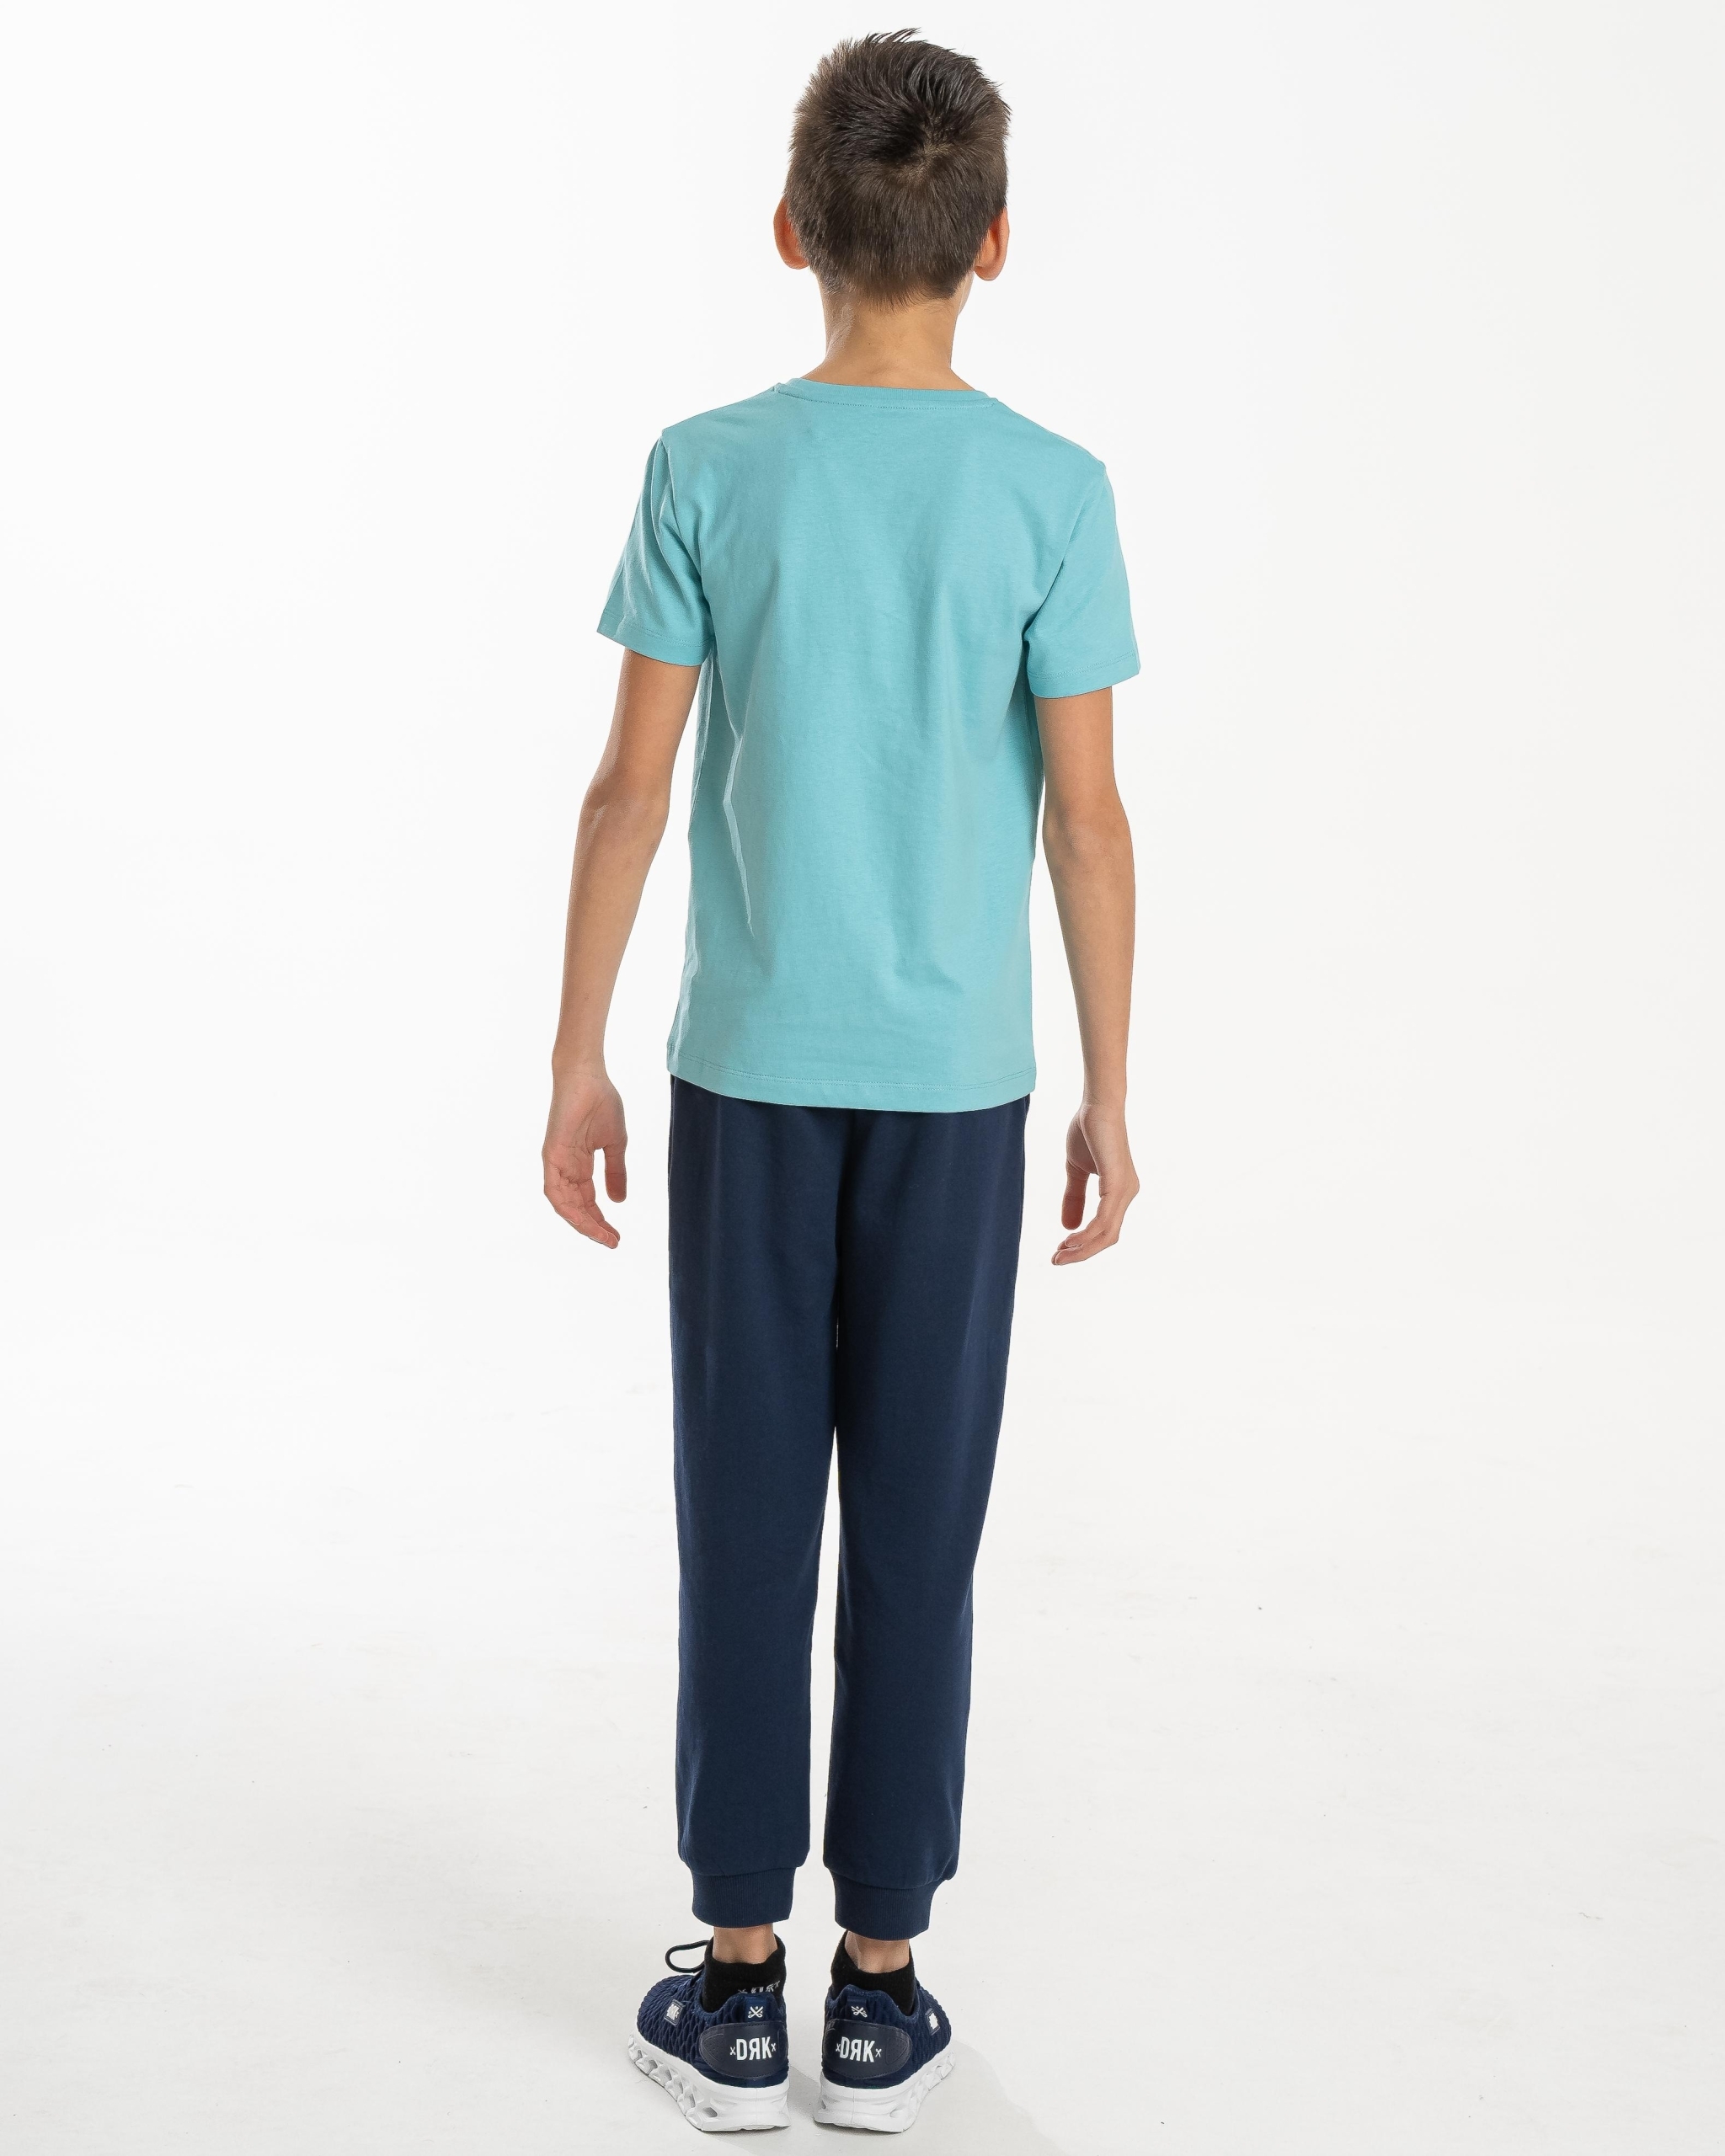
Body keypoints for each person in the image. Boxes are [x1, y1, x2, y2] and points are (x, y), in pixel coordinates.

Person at [542, 29, 1140, 2136]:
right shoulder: (1052, 490)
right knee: (916, 1522)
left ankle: (733, 1980)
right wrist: (1110, 1086)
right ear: (995, 242)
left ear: (789, 229)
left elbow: (629, 793)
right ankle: (878, 1988)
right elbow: (1086, 819)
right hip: (962, 1094)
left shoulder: (708, 465)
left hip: (749, 1082)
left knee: (740, 1511)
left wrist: (575, 1055)